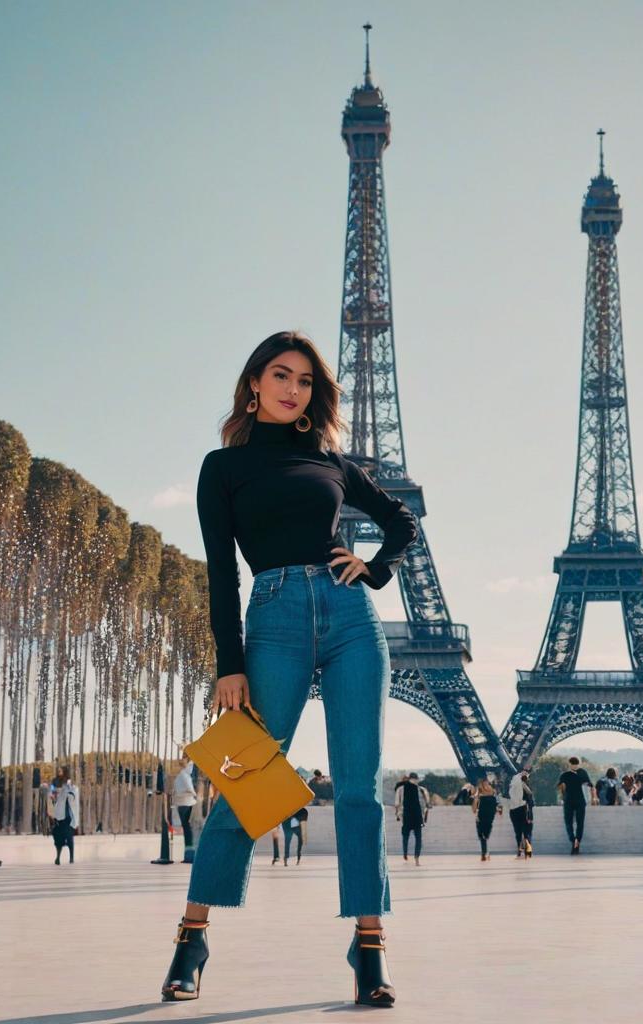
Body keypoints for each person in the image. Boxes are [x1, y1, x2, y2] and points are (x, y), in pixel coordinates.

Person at [160, 331, 419, 1006]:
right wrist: (229, 663)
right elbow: (221, 572)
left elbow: (401, 521)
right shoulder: (222, 468)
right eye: (281, 374)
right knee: (249, 781)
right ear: (254, 383)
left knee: (360, 788)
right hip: (271, 617)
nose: (292, 388)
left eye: (305, 381)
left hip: (350, 620)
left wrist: (376, 568)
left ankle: (369, 949)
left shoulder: (329, 460)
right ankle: (192, 937)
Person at [557, 756, 595, 854]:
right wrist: (593, 798)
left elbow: (560, 787)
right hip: (580, 801)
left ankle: (573, 840)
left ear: (569, 764)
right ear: (578, 764)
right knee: (580, 823)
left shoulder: (565, 774)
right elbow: (590, 785)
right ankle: (577, 842)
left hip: (568, 800)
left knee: (568, 823)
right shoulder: (582, 773)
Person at [394, 772, 429, 865]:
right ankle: (416, 859)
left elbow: (397, 803)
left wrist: (397, 815)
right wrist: (424, 817)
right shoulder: (421, 789)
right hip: (417, 817)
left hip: (406, 816)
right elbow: (425, 805)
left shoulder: (401, 789)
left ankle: (405, 853)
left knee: (405, 836)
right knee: (418, 838)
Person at [47, 767, 79, 865]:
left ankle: (71, 857)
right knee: (58, 836)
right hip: (57, 811)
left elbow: (71, 791)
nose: (58, 771)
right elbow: (51, 790)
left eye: (60, 770)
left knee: (69, 836)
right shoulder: (54, 780)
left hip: (67, 812)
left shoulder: (68, 781)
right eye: (58, 770)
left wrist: (63, 793)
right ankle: (58, 857)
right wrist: (53, 794)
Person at [172, 757, 198, 854]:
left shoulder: (179, 776)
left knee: (186, 827)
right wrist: (196, 795)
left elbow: (176, 789)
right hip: (188, 803)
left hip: (181, 804)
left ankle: (188, 849)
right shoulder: (185, 776)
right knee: (189, 828)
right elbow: (190, 788)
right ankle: (190, 850)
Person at [471, 779, 501, 861]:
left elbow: (498, 806)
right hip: (481, 818)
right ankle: (484, 853)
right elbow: (474, 810)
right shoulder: (479, 795)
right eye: (485, 784)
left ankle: (485, 853)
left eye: (488, 784)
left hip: (488, 818)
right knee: (483, 836)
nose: (487, 786)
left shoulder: (494, 794)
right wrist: (476, 799)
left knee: (484, 836)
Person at [508, 767, 533, 857]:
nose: (524, 772)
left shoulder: (527, 782)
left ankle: (527, 850)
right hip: (516, 809)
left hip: (524, 808)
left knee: (526, 832)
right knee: (518, 831)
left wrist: (530, 816)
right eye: (523, 770)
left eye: (527, 771)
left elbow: (530, 794)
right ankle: (520, 848)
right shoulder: (515, 780)